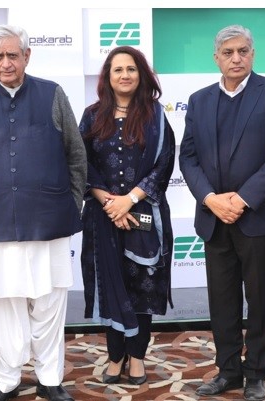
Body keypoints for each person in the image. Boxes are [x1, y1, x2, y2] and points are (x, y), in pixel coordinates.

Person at [0, 24, 86, 401]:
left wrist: (70, 203)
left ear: (27, 56)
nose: (6, 63)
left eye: (13, 55)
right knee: (4, 306)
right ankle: (7, 380)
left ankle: (50, 379)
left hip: (50, 220)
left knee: (50, 304)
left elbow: (76, 154)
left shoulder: (52, 94)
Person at [178, 25, 265, 401]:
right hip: (214, 218)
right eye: (228, 52)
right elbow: (188, 157)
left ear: (253, 54)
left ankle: (256, 372)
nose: (236, 58)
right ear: (216, 58)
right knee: (222, 300)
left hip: (257, 216)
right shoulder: (199, 100)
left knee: (259, 299)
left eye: (243, 51)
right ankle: (228, 370)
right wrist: (210, 199)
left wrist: (242, 200)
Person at [78, 46, 175, 386]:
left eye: (131, 69)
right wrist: (111, 204)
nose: (125, 75)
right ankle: (115, 356)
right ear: (107, 77)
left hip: (144, 216)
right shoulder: (92, 116)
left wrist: (129, 200)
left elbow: (164, 164)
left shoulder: (155, 116)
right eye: (117, 69)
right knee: (111, 286)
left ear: (141, 74)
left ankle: (137, 357)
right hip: (103, 218)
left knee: (142, 289)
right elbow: (82, 162)